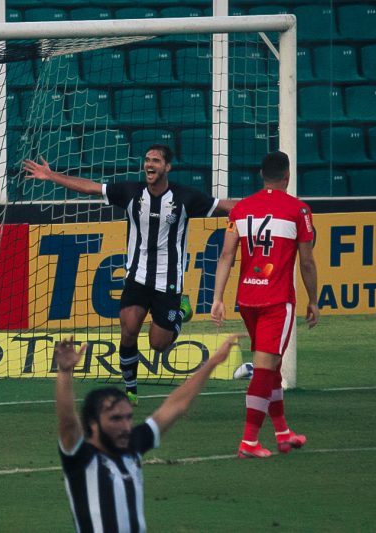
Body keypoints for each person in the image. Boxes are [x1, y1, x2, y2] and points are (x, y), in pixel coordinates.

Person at [24, 145, 236, 405]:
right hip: (136, 277)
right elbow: (91, 187)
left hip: (167, 282)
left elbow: (224, 206)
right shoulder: (130, 192)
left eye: (156, 161)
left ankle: (181, 311)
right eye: (147, 160)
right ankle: (131, 388)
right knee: (129, 328)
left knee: (158, 344)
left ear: (167, 167)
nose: (149, 164)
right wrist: (52, 175)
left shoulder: (185, 197)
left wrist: (265, 205)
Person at [55, 333, 242, 532]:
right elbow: (67, 423)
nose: (126, 426)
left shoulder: (132, 445)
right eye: (115, 419)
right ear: (92, 424)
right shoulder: (82, 458)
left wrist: (213, 362)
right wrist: (65, 373)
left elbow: (176, 405)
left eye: (128, 417)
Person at [211, 151, 319, 458]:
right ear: (287, 176)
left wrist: (218, 298)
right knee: (264, 368)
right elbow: (307, 262)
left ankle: (283, 433)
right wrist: (314, 300)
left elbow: (226, 256)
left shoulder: (241, 209)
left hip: (247, 298)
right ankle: (248, 441)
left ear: (261, 174)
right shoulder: (299, 210)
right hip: (276, 301)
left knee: (271, 366)